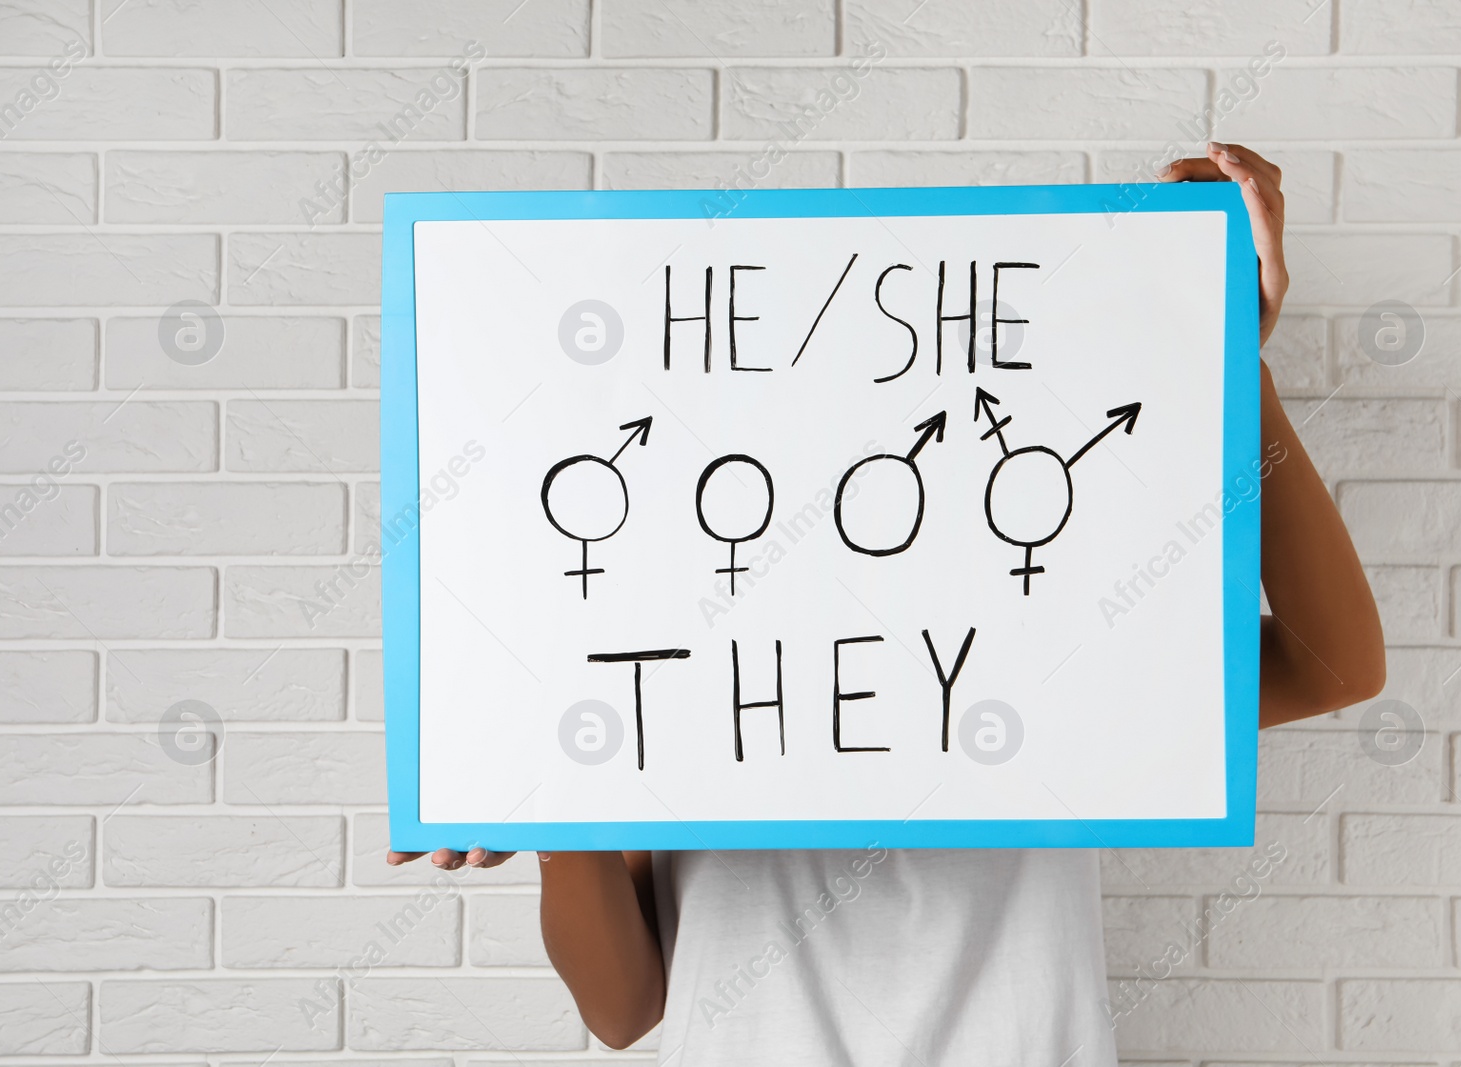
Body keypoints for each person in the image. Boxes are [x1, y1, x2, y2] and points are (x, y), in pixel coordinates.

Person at [390, 142, 1386, 1065]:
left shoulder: (1055, 636)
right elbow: (623, 1009)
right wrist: (554, 797)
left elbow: (1335, 662)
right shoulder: (686, 650)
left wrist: (1215, 362)